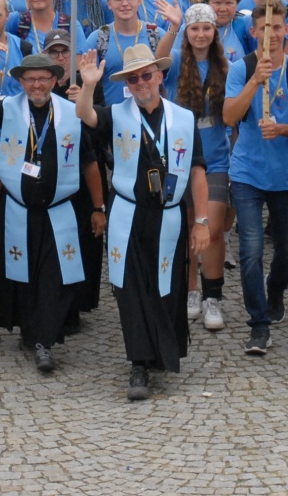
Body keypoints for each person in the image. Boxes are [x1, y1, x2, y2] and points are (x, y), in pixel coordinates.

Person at [74, 43, 207, 400]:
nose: (141, 83)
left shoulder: (183, 118)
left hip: (169, 215)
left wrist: (202, 220)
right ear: (127, 85)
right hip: (128, 214)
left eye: (146, 75)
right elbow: (84, 115)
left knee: (166, 286)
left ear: (160, 76)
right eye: (133, 79)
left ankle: (162, 351)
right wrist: (88, 85)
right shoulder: (116, 115)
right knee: (131, 288)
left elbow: (197, 171)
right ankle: (139, 364)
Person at [0, 51, 90, 375]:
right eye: (30, 79)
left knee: (53, 276)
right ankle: (31, 329)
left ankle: (44, 341)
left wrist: (97, 207)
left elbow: (91, 149)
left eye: (43, 78)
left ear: (54, 80)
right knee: (23, 274)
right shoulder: (9, 107)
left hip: (59, 209)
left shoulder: (71, 111)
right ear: (21, 82)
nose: (37, 85)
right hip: (18, 209)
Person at [222, 0, 288, 355]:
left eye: (276, 28)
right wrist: (254, 81)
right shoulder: (241, 69)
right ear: (252, 31)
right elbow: (229, 117)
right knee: (250, 250)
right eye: (263, 28)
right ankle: (258, 324)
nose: (270, 35)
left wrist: (283, 129)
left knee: (286, 250)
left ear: (286, 29)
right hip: (247, 172)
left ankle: (275, 291)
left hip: (285, 175)